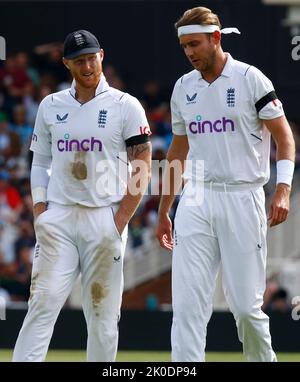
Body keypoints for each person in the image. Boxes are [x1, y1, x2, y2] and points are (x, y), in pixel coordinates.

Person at [156, 7, 295, 362]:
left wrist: (282, 189)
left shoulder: (251, 79)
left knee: (247, 309)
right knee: (187, 306)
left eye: (195, 44)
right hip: (196, 199)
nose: (189, 53)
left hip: (243, 196)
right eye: (184, 46)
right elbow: (177, 152)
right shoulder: (183, 87)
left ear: (216, 38)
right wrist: (163, 209)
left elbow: (285, 137)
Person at [13, 30, 151, 362]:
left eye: (91, 58)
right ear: (66, 64)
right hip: (58, 218)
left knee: (103, 318)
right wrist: (40, 209)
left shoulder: (125, 105)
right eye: (79, 61)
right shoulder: (51, 105)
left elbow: (142, 164)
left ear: (101, 56)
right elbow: (41, 161)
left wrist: (120, 220)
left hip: (104, 216)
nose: (87, 66)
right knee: (42, 304)